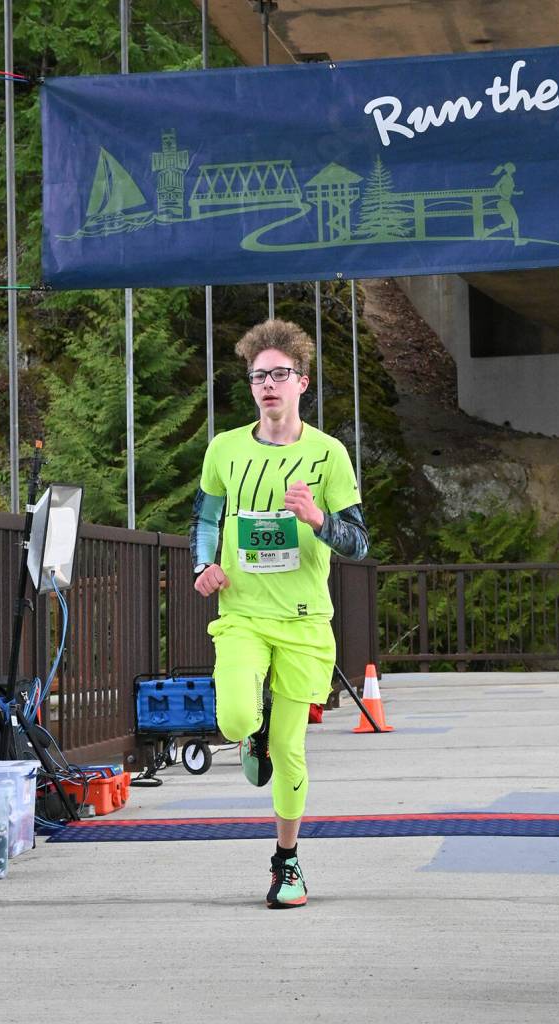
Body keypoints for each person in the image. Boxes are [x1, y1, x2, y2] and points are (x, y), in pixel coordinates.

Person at [190, 318, 368, 908]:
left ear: (302, 382)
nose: (269, 385)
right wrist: (201, 567)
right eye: (258, 376)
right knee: (236, 717)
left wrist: (319, 520)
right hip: (241, 612)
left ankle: (287, 864)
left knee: (291, 751)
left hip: (305, 620)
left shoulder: (329, 455)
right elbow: (206, 519)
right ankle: (252, 733)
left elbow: (360, 544)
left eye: (280, 375)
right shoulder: (225, 449)